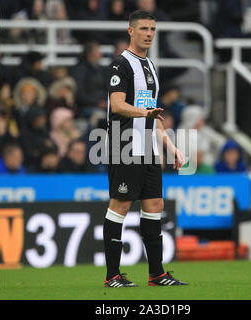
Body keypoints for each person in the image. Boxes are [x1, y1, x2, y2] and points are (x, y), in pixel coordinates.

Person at [103, 10, 188, 288]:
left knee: (154, 205)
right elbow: (117, 105)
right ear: (131, 31)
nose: (149, 33)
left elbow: (154, 114)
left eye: (152, 29)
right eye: (143, 29)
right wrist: (144, 114)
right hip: (124, 144)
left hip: (148, 147)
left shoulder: (150, 66)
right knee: (120, 205)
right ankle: (112, 275)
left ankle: (157, 274)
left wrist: (171, 146)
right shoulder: (121, 65)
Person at [71, 41, 108, 118]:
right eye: (98, 51)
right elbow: (79, 94)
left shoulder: (101, 69)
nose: (100, 54)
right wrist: (97, 103)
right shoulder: (79, 70)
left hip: (105, 105)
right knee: (101, 116)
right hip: (88, 107)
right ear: (90, 53)